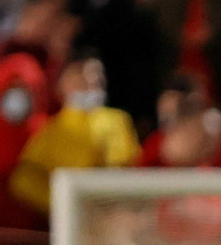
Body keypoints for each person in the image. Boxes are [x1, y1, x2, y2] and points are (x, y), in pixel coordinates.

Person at [9, 50, 138, 215]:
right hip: (70, 215)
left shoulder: (118, 120)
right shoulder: (50, 129)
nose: (90, 80)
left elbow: (127, 167)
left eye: (96, 74)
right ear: (62, 83)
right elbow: (24, 181)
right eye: (80, 74)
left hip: (111, 211)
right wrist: (62, 201)